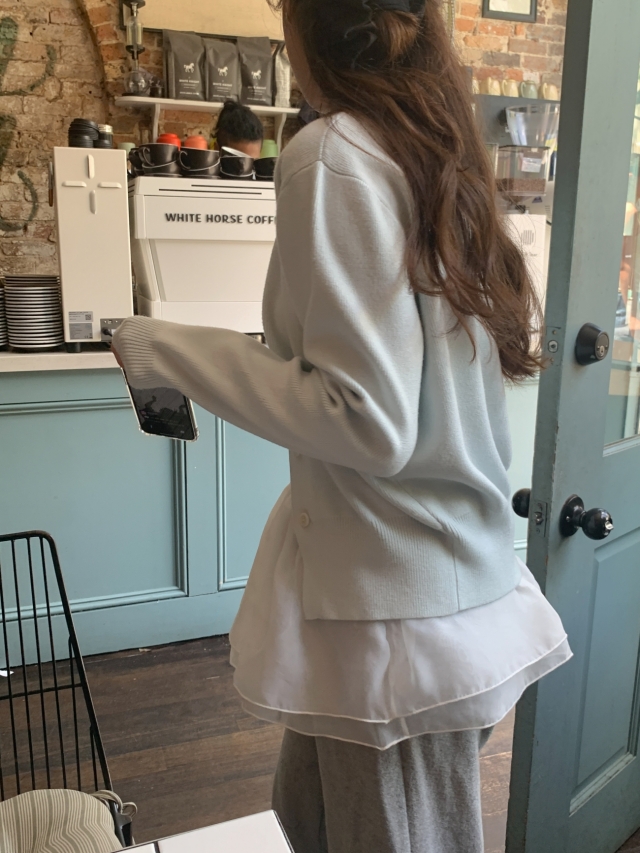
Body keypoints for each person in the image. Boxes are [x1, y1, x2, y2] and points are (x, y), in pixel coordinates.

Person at [112, 1, 572, 850]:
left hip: (391, 609)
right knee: (312, 812)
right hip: (436, 581)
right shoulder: (431, 146)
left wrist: (168, 350)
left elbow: (367, 420)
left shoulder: (332, 155)